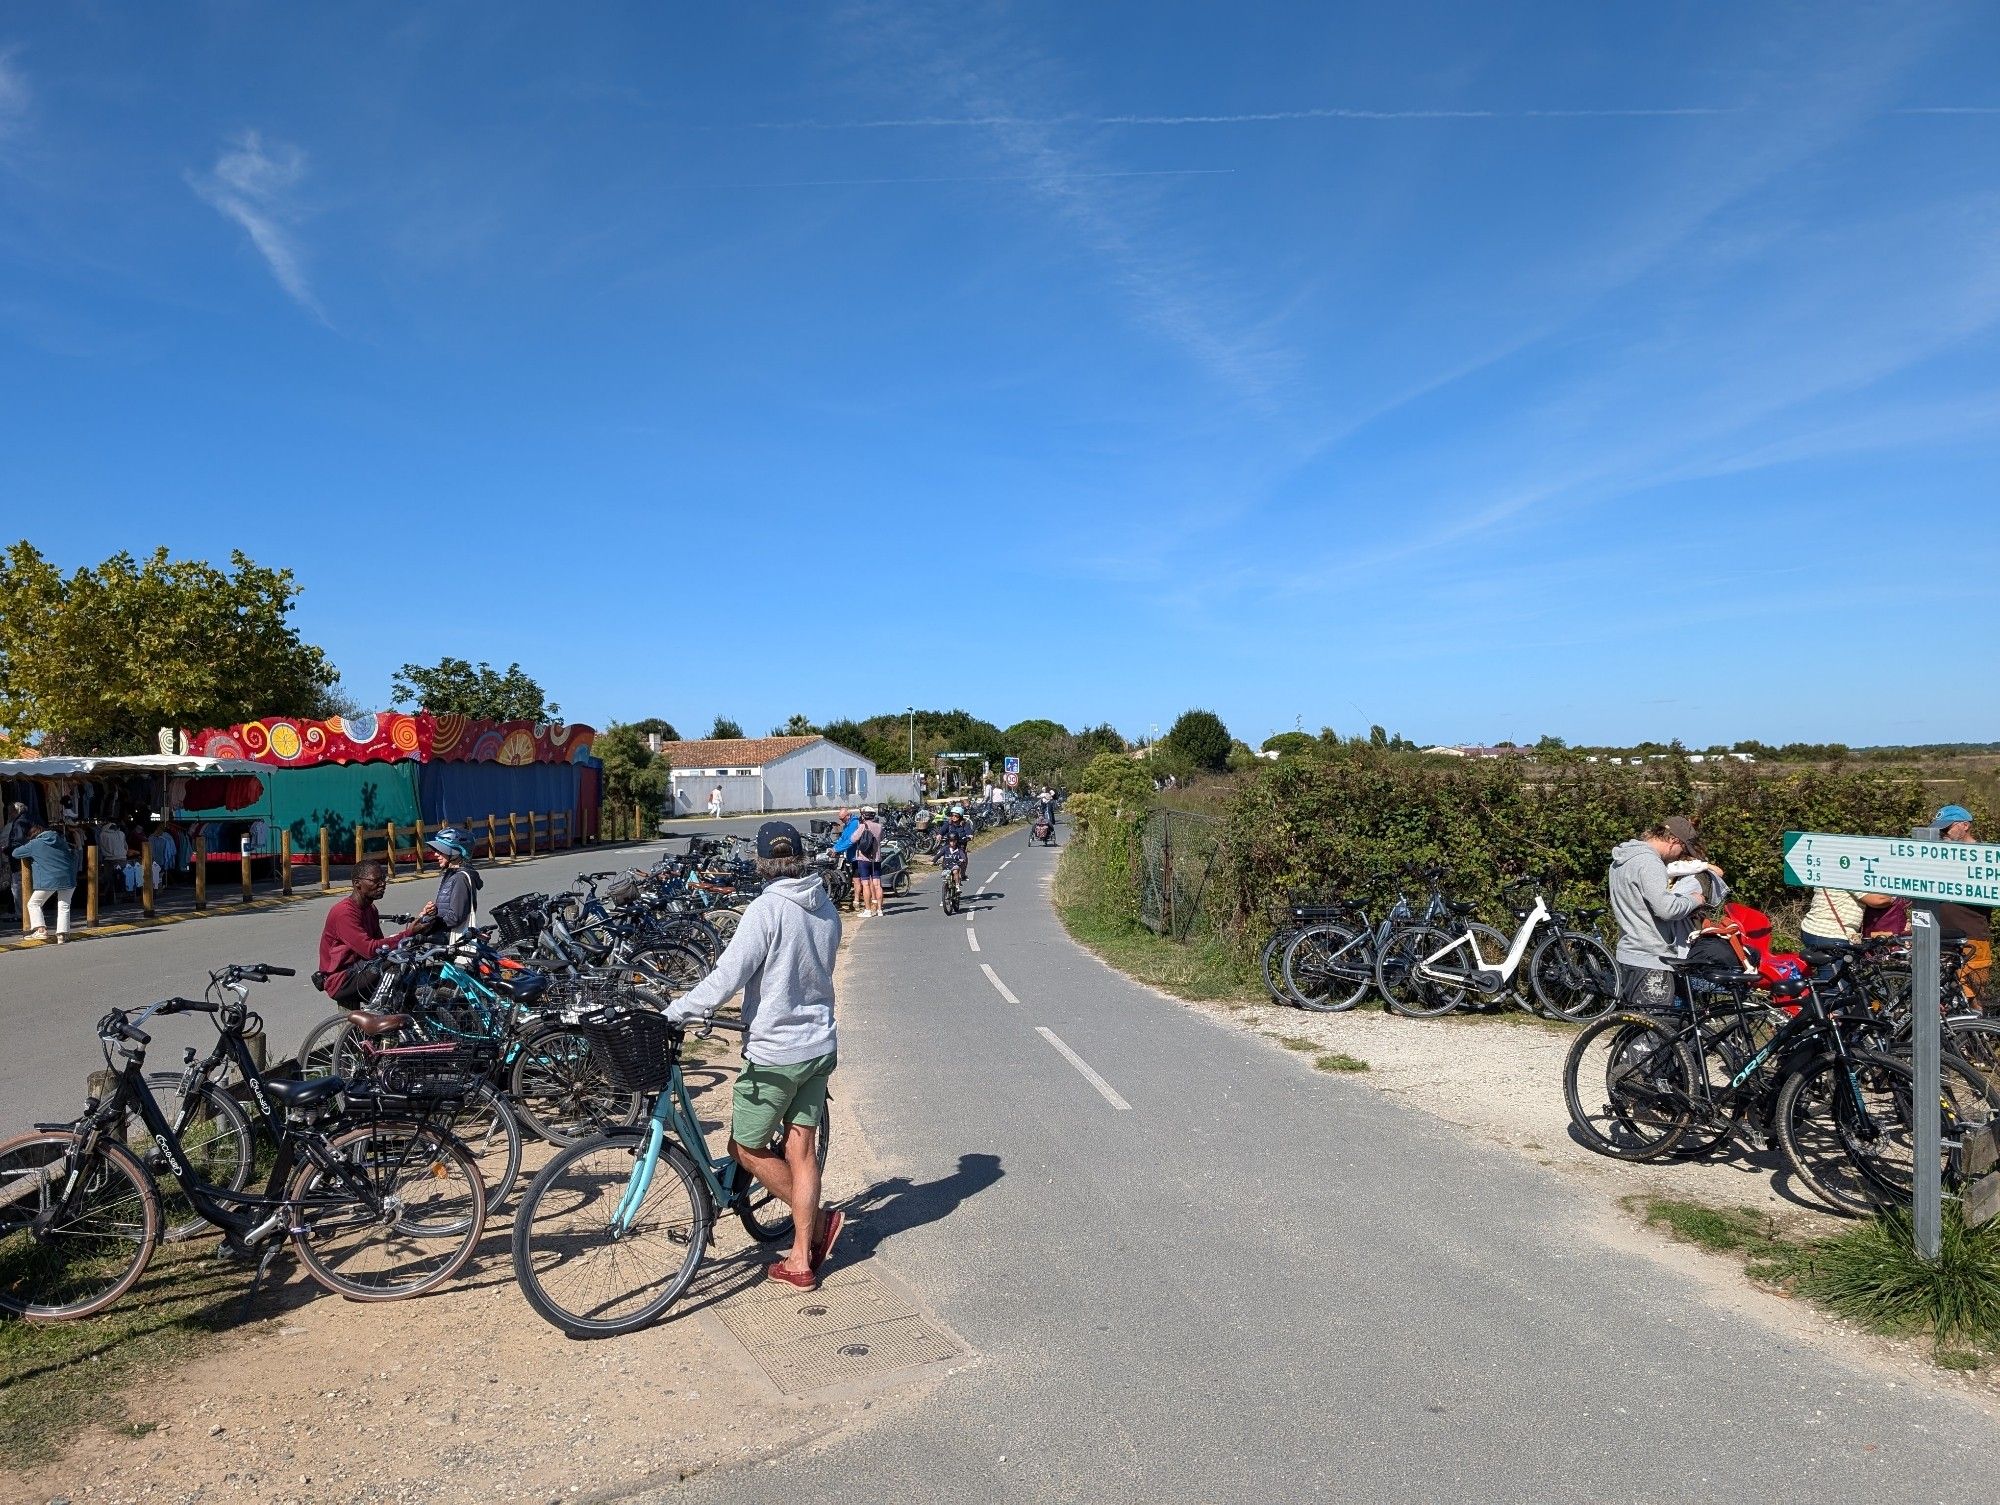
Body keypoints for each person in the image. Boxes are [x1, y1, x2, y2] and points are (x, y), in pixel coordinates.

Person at [665, 821, 841, 1290]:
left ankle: (818, 1225)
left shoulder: (765, 909)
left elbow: (727, 977)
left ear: (762, 862)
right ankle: (802, 1258)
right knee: (801, 1152)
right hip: (819, 1045)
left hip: (775, 1054)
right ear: (801, 855)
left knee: (743, 1147)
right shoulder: (825, 905)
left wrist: (677, 1011)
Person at [1607, 816, 1724, 1008]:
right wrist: (1695, 899)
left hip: (1629, 954)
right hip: (1651, 959)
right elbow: (1667, 910)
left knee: (1636, 1025)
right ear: (1673, 840)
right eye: (1683, 850)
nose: (1680, 855)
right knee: (1653, 1031)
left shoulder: (1621, 860)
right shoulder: (1650, 863)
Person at [317, 860, 434, 1005]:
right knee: (393, 969)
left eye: (383, 880)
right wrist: (408, 933)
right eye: (376, 881)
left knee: (403, 971)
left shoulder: (370, 909)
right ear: (357, 883)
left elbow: (381, 944)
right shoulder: (344, 912)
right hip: (341, 979)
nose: (382, 884)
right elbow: (371, 950)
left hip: (360, 969)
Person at [1934, 805, 1992, 994]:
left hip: (1972, 937)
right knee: (1940, 998)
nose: (1942, 834)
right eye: (1939, 829)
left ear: (1965, 826)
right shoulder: (1936, 857)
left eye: (1946, 828)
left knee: (1974, 996)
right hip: (1938, 938)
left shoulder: (1986, 857)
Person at [11, 821, 79, 943]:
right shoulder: (60, 840)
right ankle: (62, 934)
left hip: (49, 879)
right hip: (68, 877)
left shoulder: (34, 843)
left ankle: (41, 930)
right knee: (64, 905)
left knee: (34, 903)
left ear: (32, 835)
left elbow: (15, 853)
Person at [426, 827, 482, 941]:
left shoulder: (460, 878)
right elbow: (447, 908)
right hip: (447, 938)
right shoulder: (452, 874)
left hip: (452, 941)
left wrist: (427, 925)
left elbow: (455, 917)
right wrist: (433, 912)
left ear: (456, 852)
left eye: (441, 851)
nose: (436, 854)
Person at [848, 804, 885, 918]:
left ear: (864, 816)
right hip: (876, 858)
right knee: (877, 884)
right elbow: (882, 837)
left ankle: (868, 910)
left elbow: (853, 839)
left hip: (864, 858)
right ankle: (879, 910)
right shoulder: (879, 827)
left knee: (866, 884)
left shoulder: (862, 826)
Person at [4, 800, 32, 915]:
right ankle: (23, 913)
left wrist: (8, 849)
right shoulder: (26, 819)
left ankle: (21, 914)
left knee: (18, 887)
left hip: (19, 860)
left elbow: (18, 842)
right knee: (22, 886)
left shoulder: (19, 823)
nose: (9, 814)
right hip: (23, 859)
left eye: (11, 811)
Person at [939, 803, 973, 889]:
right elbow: (942, 831)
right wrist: (939, 835)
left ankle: (963, 874)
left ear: (960, 816)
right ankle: (945, 872)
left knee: (963, 858)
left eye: (956, 816)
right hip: (949, 845)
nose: (954, 817)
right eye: (952, 815)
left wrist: (969, 836)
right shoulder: (948, 824)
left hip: (960, 845)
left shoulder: (965, 824)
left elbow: (969, 832)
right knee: (944, 857)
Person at [96, 821, 130, 904]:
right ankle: (123, 894)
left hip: (109, 859)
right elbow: (125, 846)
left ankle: (111, 897)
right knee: (122, 877)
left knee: (109, 879)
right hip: (121, 858)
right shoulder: (121, 834)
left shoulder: (102, 835)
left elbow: (100, 846)